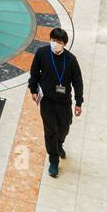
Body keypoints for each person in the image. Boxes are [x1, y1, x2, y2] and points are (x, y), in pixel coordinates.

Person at [28, 28, 84, 178]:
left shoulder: (71, 60)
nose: (55, 44)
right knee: (50, 131)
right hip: (47, 100)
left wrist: (79, 102)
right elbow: (34, 73)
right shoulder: (42, 53)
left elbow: (78, 82)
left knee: (64, 127)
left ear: (64, 44)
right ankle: (53, 160)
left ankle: (59, 144)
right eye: (53, 40)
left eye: (59, 42)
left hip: (64, 102)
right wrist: (33, 89)